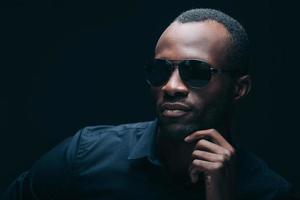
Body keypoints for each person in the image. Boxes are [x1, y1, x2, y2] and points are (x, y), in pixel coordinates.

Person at [2, 8, 294, 200]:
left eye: (196, 72)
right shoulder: (86, 156)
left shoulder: (269, 193)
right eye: (161, 70)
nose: (172, 86)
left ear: (239, 88)